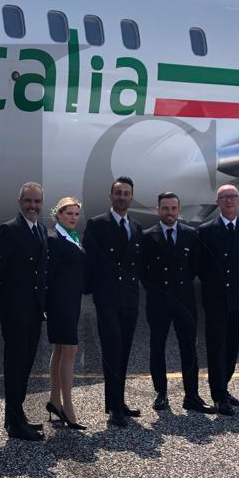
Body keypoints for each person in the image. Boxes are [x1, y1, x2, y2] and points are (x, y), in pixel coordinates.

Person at [141, 192, 215, 414]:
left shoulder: (191, 235)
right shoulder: (147, 236)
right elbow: (142, 270)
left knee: (189, 348)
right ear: (158, 210)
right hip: (158, 302)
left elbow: (195, 266)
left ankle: (191, 396)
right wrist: (156, 291)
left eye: (173, 208)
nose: (170, 212)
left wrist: (180, 286)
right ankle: (161, 393)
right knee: (157, 347)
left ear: (179, 210)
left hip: (184, 300)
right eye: (165, 208)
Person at [83, 176, 144, 427]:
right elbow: (89, 260)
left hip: (129, 298)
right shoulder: (97, 224)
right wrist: (92, 290)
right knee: (112, 351)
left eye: (126, 193)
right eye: (118, 193)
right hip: (107, 298)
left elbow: (138, 263)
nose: (122, 197)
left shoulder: (136, 227)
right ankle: (114, 407)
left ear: (131, 197)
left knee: (124, 350)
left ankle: (118, 401)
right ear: (110, 196)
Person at [0, 182, 48, 442]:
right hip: (15, 311)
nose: (33, 206)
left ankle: (17, 415)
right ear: (19, 202)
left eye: (37, 201)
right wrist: (4, 304)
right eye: (28, 201)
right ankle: (14, 422)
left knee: (26, 364)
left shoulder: (41, 229)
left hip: (35, 311)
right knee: (15, 366)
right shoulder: (9, 230)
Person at [197, 184, 239, 416]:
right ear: (218, 202)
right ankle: (218, 395)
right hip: (216, 297)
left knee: (233, 344)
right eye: (224, 197)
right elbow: (202, 265)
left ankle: (225, 385)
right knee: (217, 346)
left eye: (233, 197)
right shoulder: (206, 230)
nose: (229, 200)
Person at [45, 197, 87, 430]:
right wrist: (47, 304)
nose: (73, 218)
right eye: (68, 213)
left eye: (76, 214)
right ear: (58, 214)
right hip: (60, 302)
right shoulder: (54, 239)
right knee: (70, 350)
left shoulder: (72, 236)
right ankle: (67, 408)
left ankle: (54, 400)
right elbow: (49, 274)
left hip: (72, 300)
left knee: (61, 350)